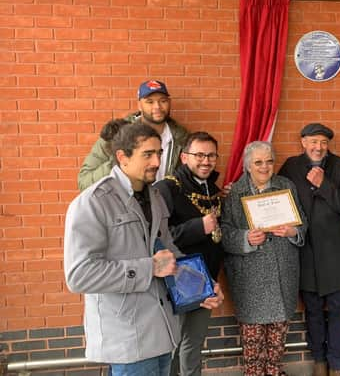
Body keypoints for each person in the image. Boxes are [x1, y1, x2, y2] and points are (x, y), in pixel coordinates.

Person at [64, 123, 222, 376]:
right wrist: (148, 268)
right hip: (128, 336)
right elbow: (79, 275)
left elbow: (169, 252)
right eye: (147, 154)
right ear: (122, 157)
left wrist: (203, 284)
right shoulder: (93, 202)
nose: (157, 161)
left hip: (163, 330)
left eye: (159, 153)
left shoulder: (155, 197)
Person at [221, 141, 307, 376]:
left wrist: (293, 232)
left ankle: (274, 372)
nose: (264, 167)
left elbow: (302, 224)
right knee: (253, 342)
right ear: (248, 165)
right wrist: (246, 238)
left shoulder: (285, 186)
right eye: (258, 162)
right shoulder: (235, 192)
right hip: (250, 277)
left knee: (278, 339)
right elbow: (224, 233)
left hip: (282, 272)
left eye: (269, 161)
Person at [279, 123, 340, 376]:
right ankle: (319, 362)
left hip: (337, 255)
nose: (318, 147)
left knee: (337, 311)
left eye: (323, 142)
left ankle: (337, 365)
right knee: (312, 312)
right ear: (303, 142)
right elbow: (275, 197)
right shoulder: (291, 166)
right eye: (313, 141)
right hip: (305, 254)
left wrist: (325, 184)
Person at [155, 132, 231, 376]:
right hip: (177, 279)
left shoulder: (213, 189)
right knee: (173, 344)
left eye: (211, 156)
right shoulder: (166, 188)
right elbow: (157, 238)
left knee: (194, 343)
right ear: (184, 157)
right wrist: (199, 227)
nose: (206, 161)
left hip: (207, 279)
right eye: (199, 155)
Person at [78, 79, 189, 190]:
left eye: (163, 101)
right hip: (126, 204)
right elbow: (84, 182)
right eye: (150, 102)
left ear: (169, 102)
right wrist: (120, 160)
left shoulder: (181, 138)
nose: (157, 107)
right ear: (139, 105)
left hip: (163, 205)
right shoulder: (118, 134)